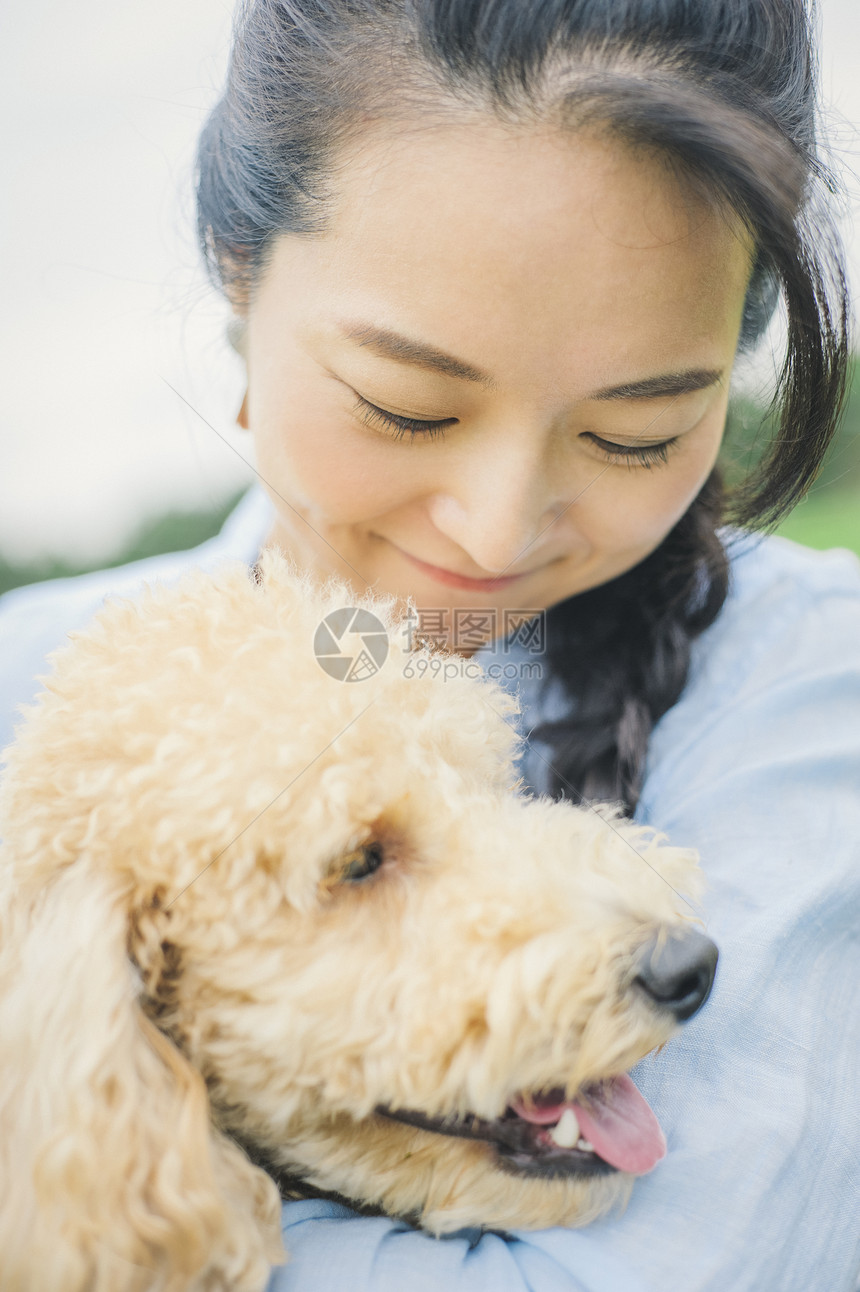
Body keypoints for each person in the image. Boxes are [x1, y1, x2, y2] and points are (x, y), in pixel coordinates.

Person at [1, 0, 859, 1288]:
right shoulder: (33, 692)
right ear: (241, 279)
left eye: (634, 433)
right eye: (406, 406)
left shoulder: (816, 699)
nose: (496, 530)